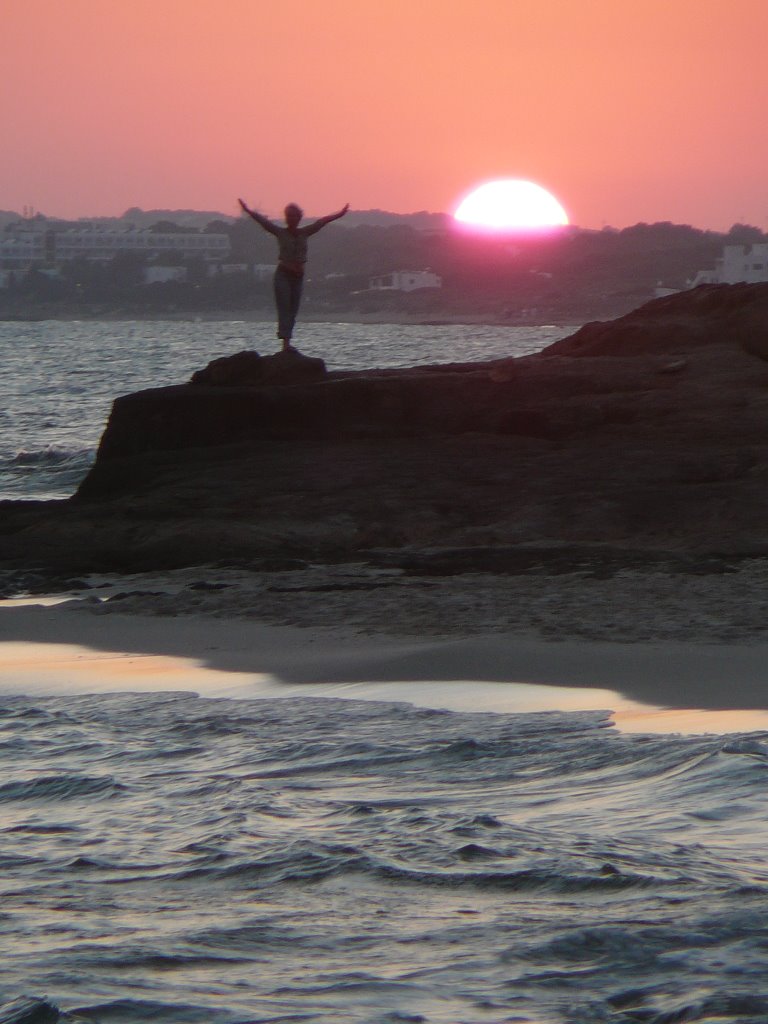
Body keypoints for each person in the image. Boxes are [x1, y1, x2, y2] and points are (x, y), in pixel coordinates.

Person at [238, 197, 349, 351]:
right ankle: (285, 344)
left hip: (298, 277)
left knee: (293, 309)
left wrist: (340, 214)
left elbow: (322, 222)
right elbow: (264, 222)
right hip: (283, 275)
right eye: (289, 216)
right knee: (284, 307)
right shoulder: (280, 232)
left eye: (294, 216)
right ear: (286, 218)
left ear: (299, 217)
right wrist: (248, 210)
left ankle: (288, 342)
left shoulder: (305, 232)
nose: (291, 219)